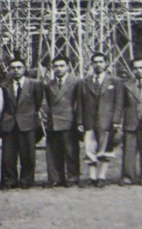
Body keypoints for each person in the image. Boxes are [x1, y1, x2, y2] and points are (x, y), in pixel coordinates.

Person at [77, 52, 124, 187]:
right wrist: (80, 121)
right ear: (91, 64)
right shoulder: (84, 82)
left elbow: (119, 103)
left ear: (106, 64)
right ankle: (92, 177)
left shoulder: (115, 81)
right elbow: (80, 103)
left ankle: (101, 177)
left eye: (101, 62)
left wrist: (116, 120)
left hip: (106, 121)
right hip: (89, 120)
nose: (98, 65)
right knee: (90, 148)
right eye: (95, 62)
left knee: (105, 149)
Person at [0, 58, 43, 189]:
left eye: (19, 67)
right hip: (9, 124)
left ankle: (27, 181)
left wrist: (28, 115)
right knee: (8, 157)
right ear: (9, 70)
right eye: (13, 68)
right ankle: (9, 181)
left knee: (28, 155)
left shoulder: (35, 84)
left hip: (27, 123)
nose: (16, 70)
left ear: (24, 69)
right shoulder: (4, 85)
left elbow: (38, 102)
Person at [43, 56, 81, 188]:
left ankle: (73, 178)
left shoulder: (76, 82)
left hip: (69, 121)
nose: (58, 69)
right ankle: (56, 178)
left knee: (71, 152)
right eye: (56, 66)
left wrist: (78, 122)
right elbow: (49, 103)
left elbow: (80, 103)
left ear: (68, 67)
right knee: (54, 153)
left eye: (61, 66)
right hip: (53, 122)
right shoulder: (49, 84)